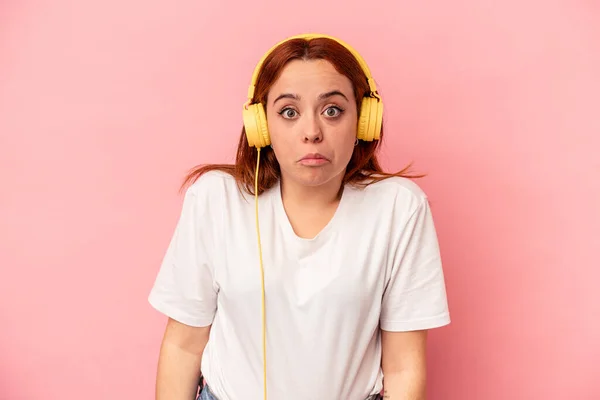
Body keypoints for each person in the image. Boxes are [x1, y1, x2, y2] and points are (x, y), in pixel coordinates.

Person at [148, 33, 451, 400]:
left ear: (363, 121)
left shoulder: (399, 209)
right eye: (289, 112)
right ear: (262, 126)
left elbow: (404, 367)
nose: (312, 132)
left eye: (332, 110)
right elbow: (183, 347)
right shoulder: (216, 200)